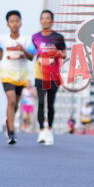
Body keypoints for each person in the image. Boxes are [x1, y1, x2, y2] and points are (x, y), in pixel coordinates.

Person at [0, 10, 34, 145]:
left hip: (21, 76)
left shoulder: (27, 39)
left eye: (17, 21)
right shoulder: (2, 39)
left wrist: (23, 49)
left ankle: (8, 120)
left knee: (15, 104)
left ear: (21, 23)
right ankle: (11, 131)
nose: (14, 24)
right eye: (12, 21)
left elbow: (31, 57)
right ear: (8, 24)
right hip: (7, 74)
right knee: (11, 100)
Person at [31, 9, 66, 146]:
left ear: (52, 21)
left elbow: (64, 54)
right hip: (39, 74)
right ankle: (41, 131)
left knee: (50, 104)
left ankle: (49, 130)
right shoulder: (35, 37)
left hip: (53, 75)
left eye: (48, 18)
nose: (45, 20)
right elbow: (31, 53)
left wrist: (55, 53)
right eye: (43, 18)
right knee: (41, 103)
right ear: (40, 21)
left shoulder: (58, 37)